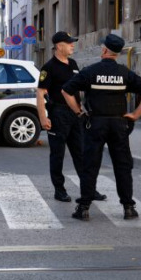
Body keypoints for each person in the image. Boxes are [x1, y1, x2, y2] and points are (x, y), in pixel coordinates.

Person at [62, 34, 141, 221]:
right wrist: (135, 115)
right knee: (122, 166)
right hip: (119, 124)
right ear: (118, 53)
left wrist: (79, 112)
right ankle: (128, 208)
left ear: (104, 50)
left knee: (90, 165)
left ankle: (84, 208)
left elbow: (66, 91)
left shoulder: (90, 72)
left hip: (95, 123)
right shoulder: (125, 73)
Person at [37, 32, 106, 203]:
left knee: (82, 153)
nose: (72, 45)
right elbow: (40, 93)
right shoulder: (49, 67)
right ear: (59, 46)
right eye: (69, 43)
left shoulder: (73, 64)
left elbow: (79, 88)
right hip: (58, 114)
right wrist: (42, 118)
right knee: (57, 154)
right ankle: (59, 190)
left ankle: (89, 189)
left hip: (75, 115)